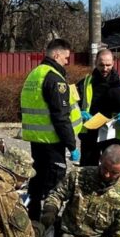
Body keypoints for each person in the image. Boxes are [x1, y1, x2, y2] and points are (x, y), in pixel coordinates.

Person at [20, 38, 83, 221]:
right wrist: (72, 145)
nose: (67, 61)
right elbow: (60, 116)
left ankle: (30, 219)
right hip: (52, 141)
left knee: (36, 182)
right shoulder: (54, 78)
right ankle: (50, 228)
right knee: (54, 187)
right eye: (66, 58)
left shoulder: (35, 74)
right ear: (56, 55)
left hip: (36, 139)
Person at [76, 49, 120, 166]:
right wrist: (80, 113)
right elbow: (72, 105)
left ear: (113, 63)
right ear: (95, 63)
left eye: (108, 65)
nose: (105, 68)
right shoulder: (85, 82)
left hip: (112, 133)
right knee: (88, 168)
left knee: (112, 167)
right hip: (90, 134)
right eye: (101, 65)